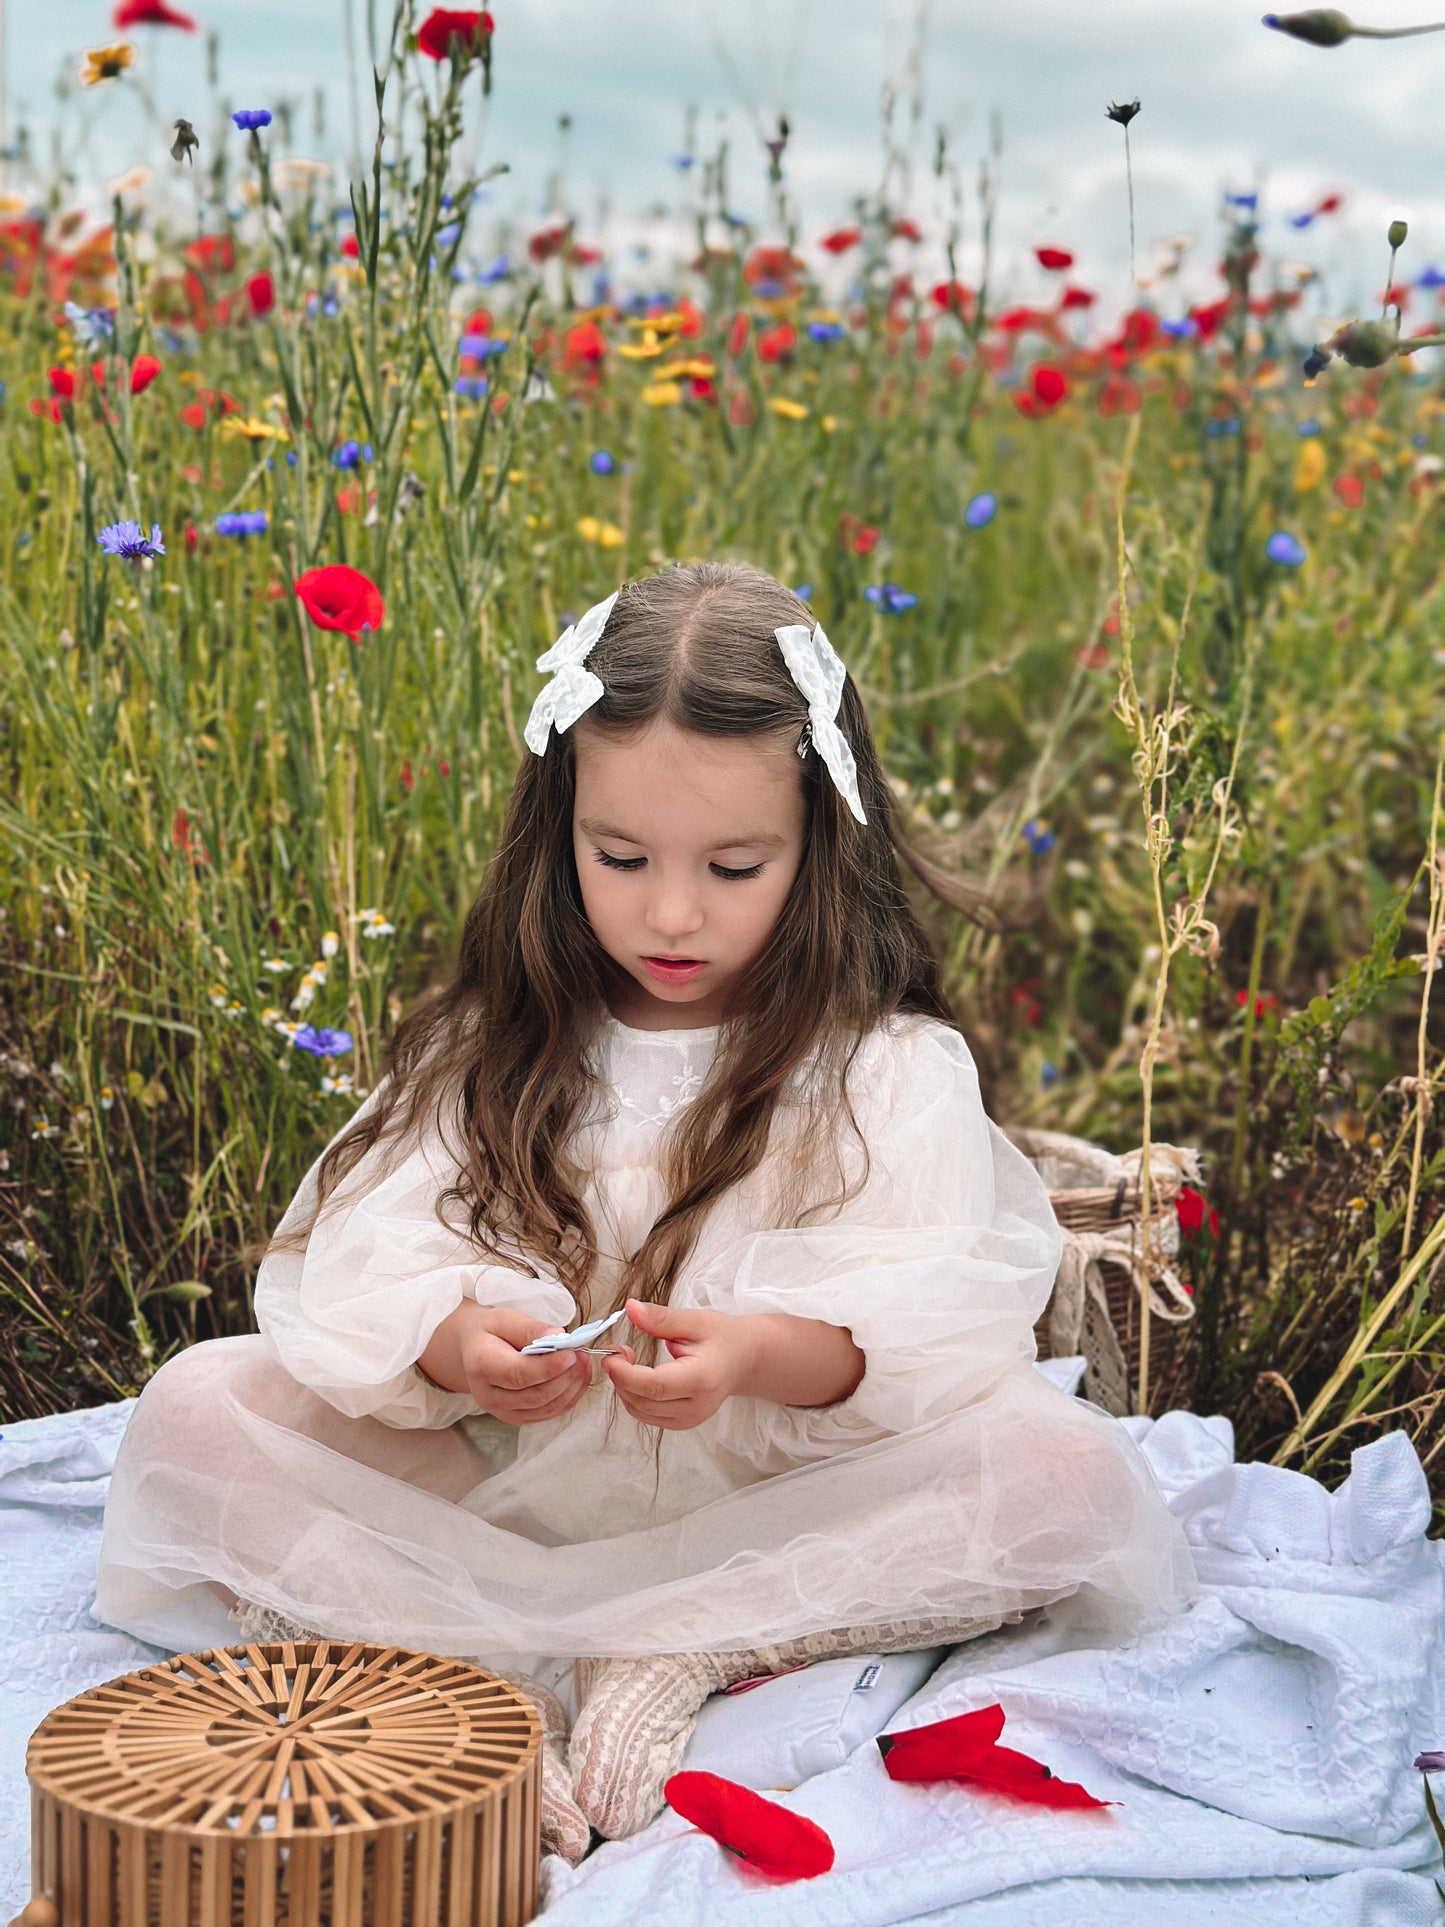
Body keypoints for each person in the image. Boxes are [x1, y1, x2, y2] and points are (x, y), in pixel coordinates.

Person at [94, 561, 1196, 1861]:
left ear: (821, 842)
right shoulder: (493, 1042)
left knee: (1060, 1467)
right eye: (620, 858)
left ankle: (682, 1641)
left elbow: (933, 1318)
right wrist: (462, 1344)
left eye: (734, 866)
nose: (670, 913)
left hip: (776, 1505)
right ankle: (492, 1667)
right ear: (557, 835)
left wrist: (758, 1356)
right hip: (500, 1492)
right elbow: (371, 1260)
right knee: (199, 1410)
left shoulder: (876, 1068)